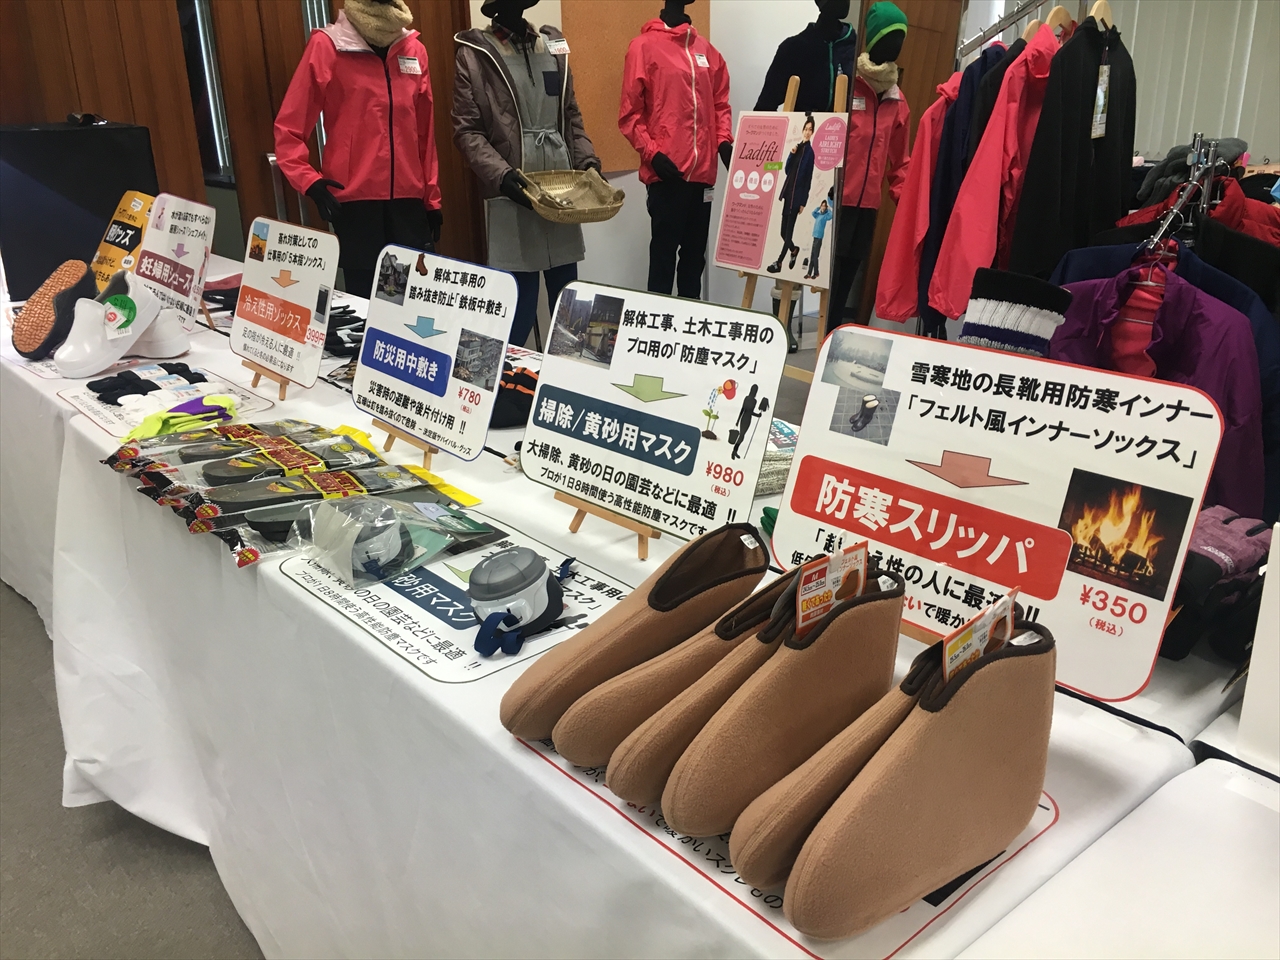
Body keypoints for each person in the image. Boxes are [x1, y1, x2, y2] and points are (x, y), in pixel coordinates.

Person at [453, 0, 600, 348]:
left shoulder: (551, 47)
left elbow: (570, 115)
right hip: (513, 188)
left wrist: (587, 163)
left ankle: (568, 375)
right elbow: (467, 130)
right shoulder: (474, 54)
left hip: (562, 188)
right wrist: (501, 175)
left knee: (569, 305)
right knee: (517, 307)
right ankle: (510, 378)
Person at [274, 0, 443, 299]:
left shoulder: (413, 50)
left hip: (407, 204)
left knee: (401, 304)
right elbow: (290, 127)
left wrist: (432, 198)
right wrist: (308, 181)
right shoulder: (328, 46)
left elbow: (424, 134)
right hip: (356, 204)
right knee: (365, 305)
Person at [767, 116, 816, 274]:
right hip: (788, 194)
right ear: (802, 130)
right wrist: (791, 154)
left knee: (788, 234)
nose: (807, 132)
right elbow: (787, 170)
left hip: (797, 197)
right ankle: (794, 250)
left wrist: (803, 202)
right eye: (806, 129)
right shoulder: (797, 148)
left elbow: (808, 178)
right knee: (783, 232)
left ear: (812, 132)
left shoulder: (810, 153)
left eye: (810, 130)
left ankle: (779, 262)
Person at [731, 384, 767, 460]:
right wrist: (757, 415)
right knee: (742, 436)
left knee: (742, 435)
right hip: (748, 419)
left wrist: (738, 420)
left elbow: (742, 409)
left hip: (743, 417)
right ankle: (734, 451)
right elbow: (750, 412)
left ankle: (735, 451)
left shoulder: (747, 398)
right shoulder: (754, 401)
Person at [805, 199, 833, 280]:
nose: (823, 207)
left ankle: (816, 273)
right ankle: (809, 273)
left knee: (815, 256)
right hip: (815, 236)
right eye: (822, 205)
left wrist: (829, 210)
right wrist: (818, 207)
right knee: (812, 255)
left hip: (819, 237)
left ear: (826, 207)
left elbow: (831, 216)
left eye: (824, 206)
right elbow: (813, 213)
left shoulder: (825, 216)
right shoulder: (818, 215)